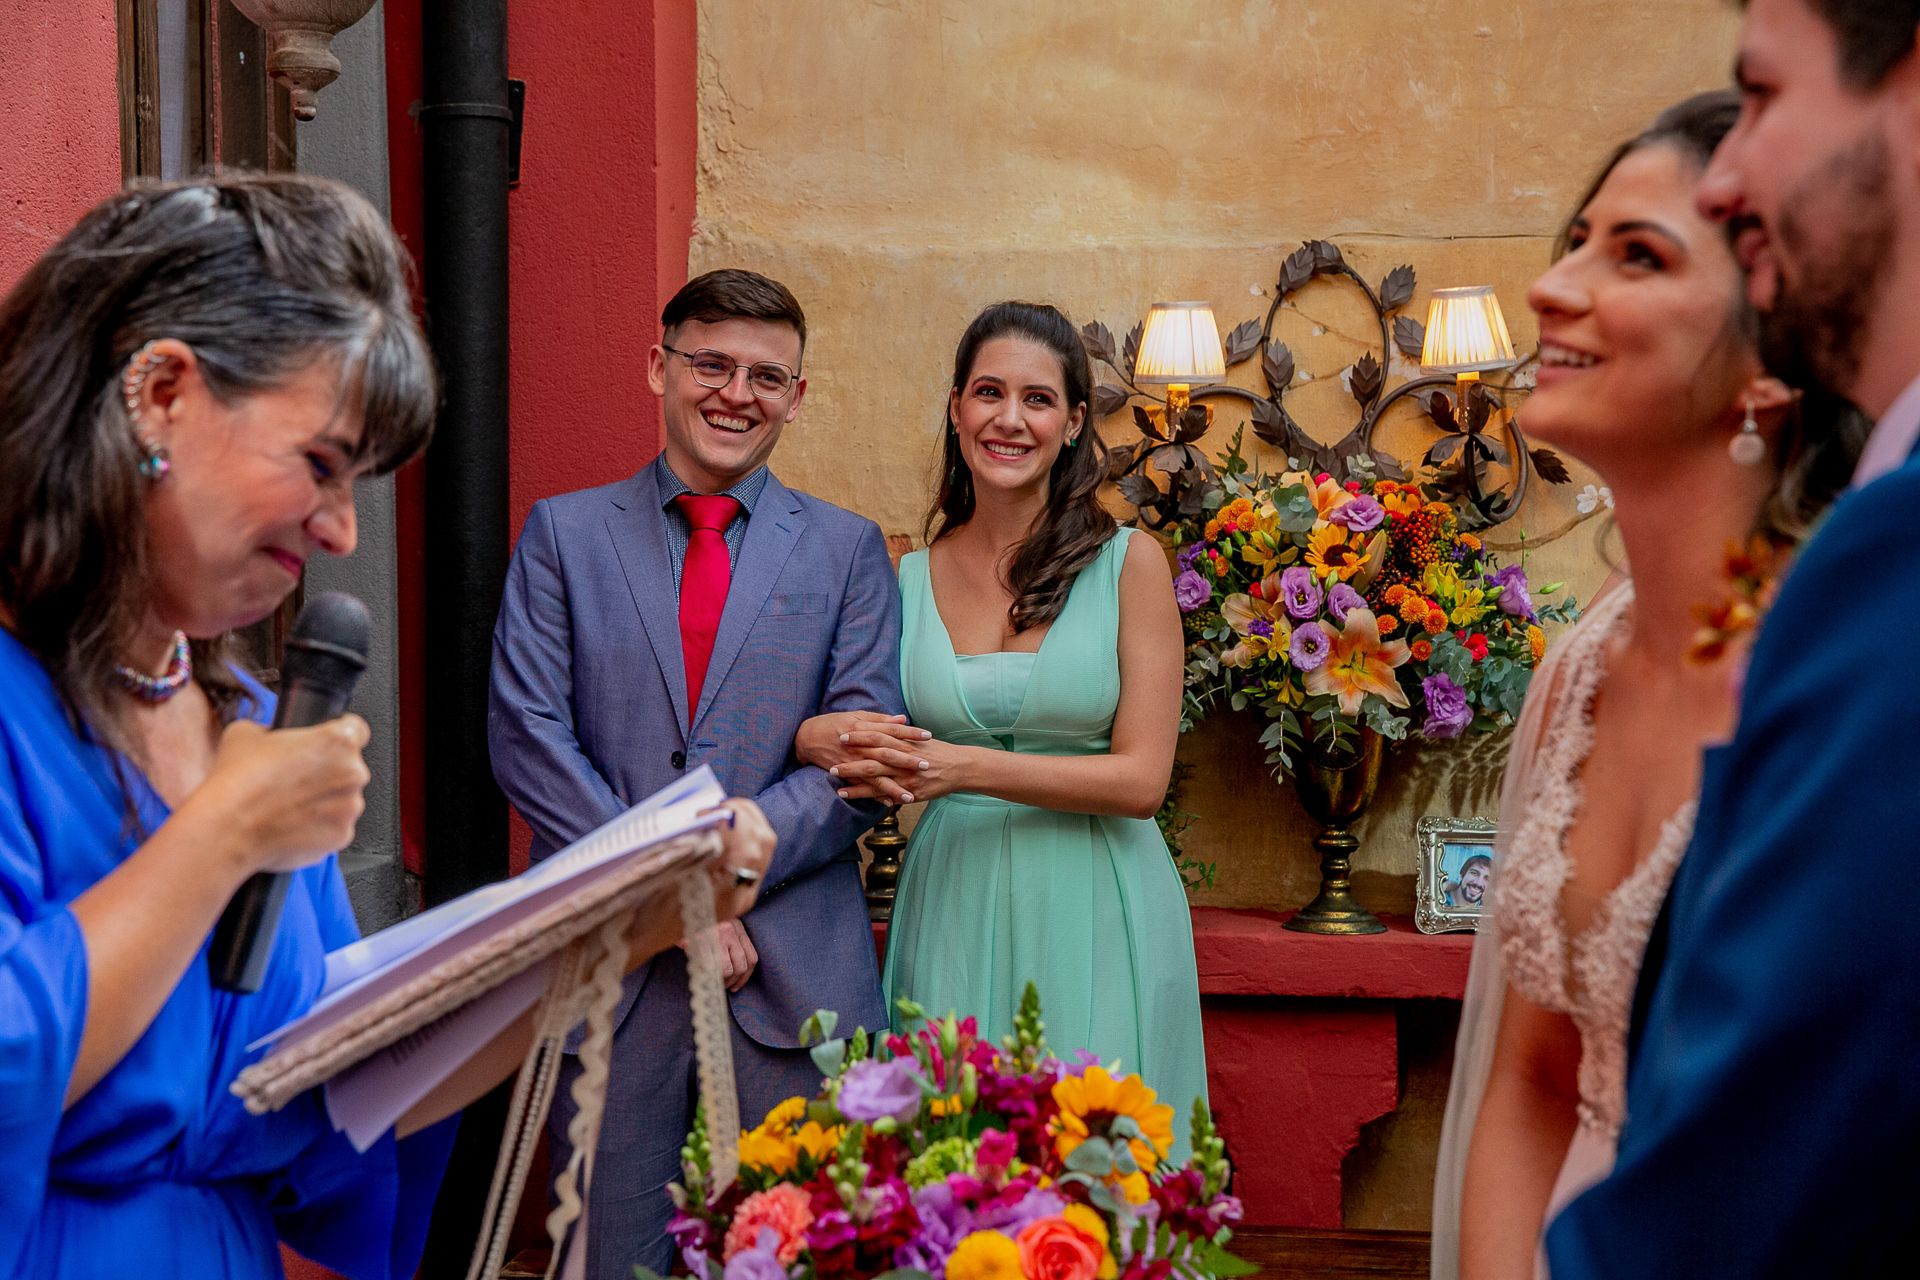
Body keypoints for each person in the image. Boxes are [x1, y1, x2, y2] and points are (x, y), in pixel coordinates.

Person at [0, 175, 773, 1280]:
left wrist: (620, 929)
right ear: (162, 390)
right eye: (320, 464)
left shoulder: (252, 727)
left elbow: (332, 1081)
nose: (339, 527)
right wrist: (221, 831)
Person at [1429, 91, 1867, 1280]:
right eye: (1576, 237)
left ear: (1773, 363)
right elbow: (1530, 1078)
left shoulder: (1843, 677)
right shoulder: (1579, 670)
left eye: (1635, 255)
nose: (1554, 285)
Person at [1546, 3, 1920, 1275]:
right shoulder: (1584, 667)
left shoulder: (1875, 567)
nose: (1731, 173)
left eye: (1759, 95)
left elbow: (1774, 1159)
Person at [488, 267, 901, 1275]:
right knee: (607, 1257)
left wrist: (722, 880)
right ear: (657, 366)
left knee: (792, 1255)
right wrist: (677, 886)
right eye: (711, 362)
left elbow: (862, 761)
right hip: (612, 972)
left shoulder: (848, 552)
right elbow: (528, 737)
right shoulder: (563, 535)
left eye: (768, 375)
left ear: (797, 397)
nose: (736, 391)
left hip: (790, 972)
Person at [798, 300, 1209, 1134]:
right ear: (956, 410)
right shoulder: (900, 576)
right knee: (952, 1159)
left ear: (1073, 422)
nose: (1009, 419)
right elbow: (845, 722)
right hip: (954, 890)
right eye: (989, 393)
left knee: (1098, 1167)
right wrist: (810, 736)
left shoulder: (1129, 565)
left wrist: (964, 769)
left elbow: (1141, 781)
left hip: (1098, 895)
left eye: (1038, 399)